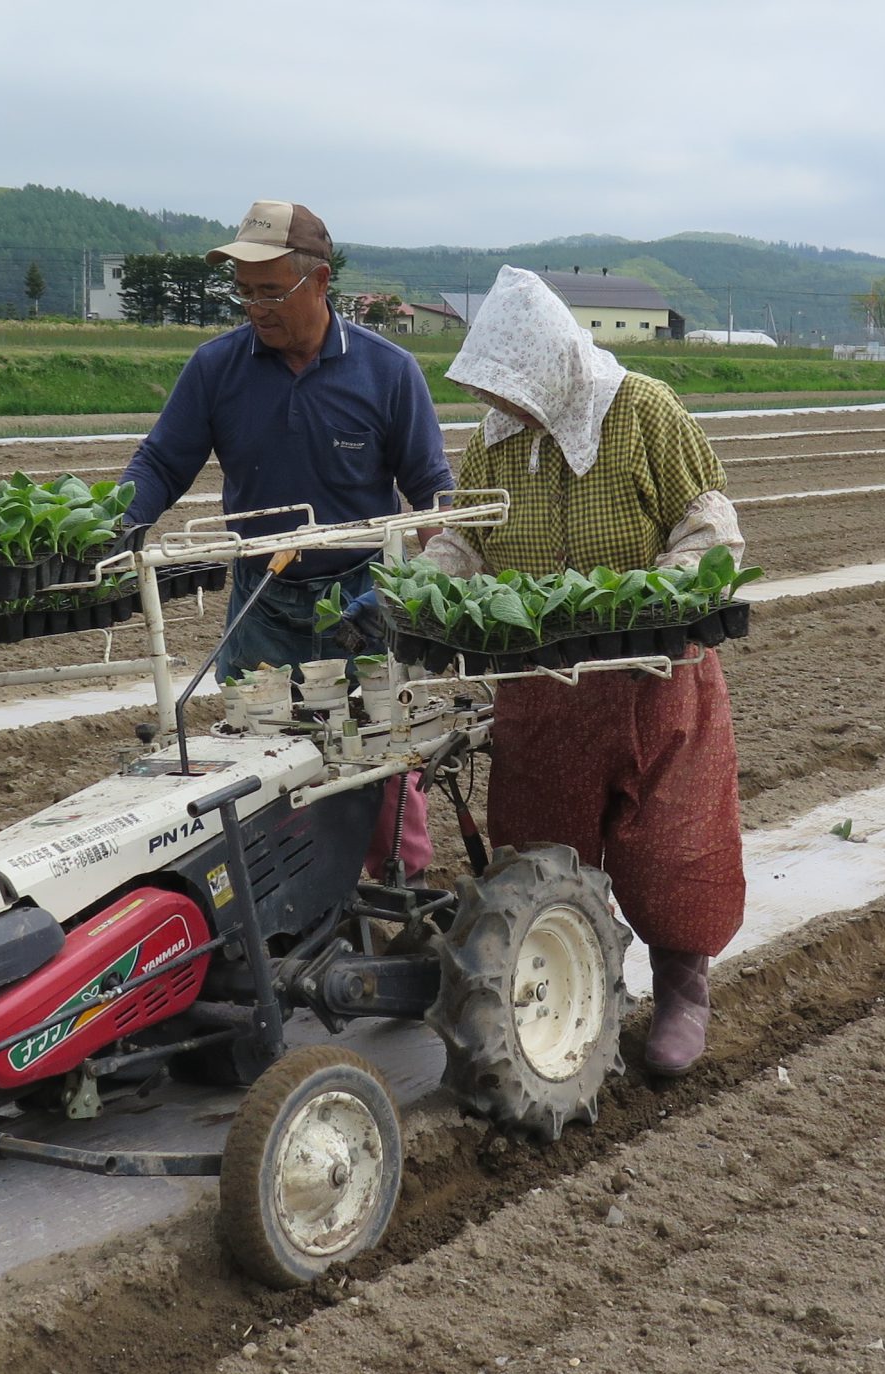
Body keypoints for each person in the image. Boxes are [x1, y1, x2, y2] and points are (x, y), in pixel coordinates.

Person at [378, 265, 749, 1075]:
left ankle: (684, 990)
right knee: (543, 851)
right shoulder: (493, 444)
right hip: (542, 691)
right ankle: (572, 996)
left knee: (672, 847)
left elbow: (708, 522)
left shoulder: (645, 412)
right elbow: (465, 544)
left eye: (513, 385)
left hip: (656, 678)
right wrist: (425, 588)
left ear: (554, 365)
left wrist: (671, 589)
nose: (501, 402)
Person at [120, 200, 450, 875]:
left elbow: (431, 492)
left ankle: (402, 903)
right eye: (244, 292)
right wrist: (115, 525)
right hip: (261, 603)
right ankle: (294, 920)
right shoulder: (217, 369)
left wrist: (433, 587)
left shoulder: (388, 372)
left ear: (321, 281)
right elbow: (160, 463)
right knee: (264, 773)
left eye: (271, 290)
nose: (255, 307)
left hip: (363, 601)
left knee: (384, 768)